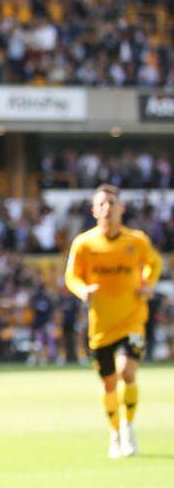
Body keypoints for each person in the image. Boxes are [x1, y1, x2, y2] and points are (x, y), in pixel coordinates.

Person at [64, 185, 163, 458]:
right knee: (108, 384)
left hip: (132, 321)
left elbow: (154, 264)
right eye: (102, 204)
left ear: (122, 208)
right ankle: (115, 432)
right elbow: (71, 276)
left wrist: (148, 284)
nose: (108, 208)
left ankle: (129, 427)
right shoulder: (84, 244)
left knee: (126, 372)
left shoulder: (137, 241)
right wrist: (82, 290)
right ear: (94, 210)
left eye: (112, 203)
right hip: (101, 327)